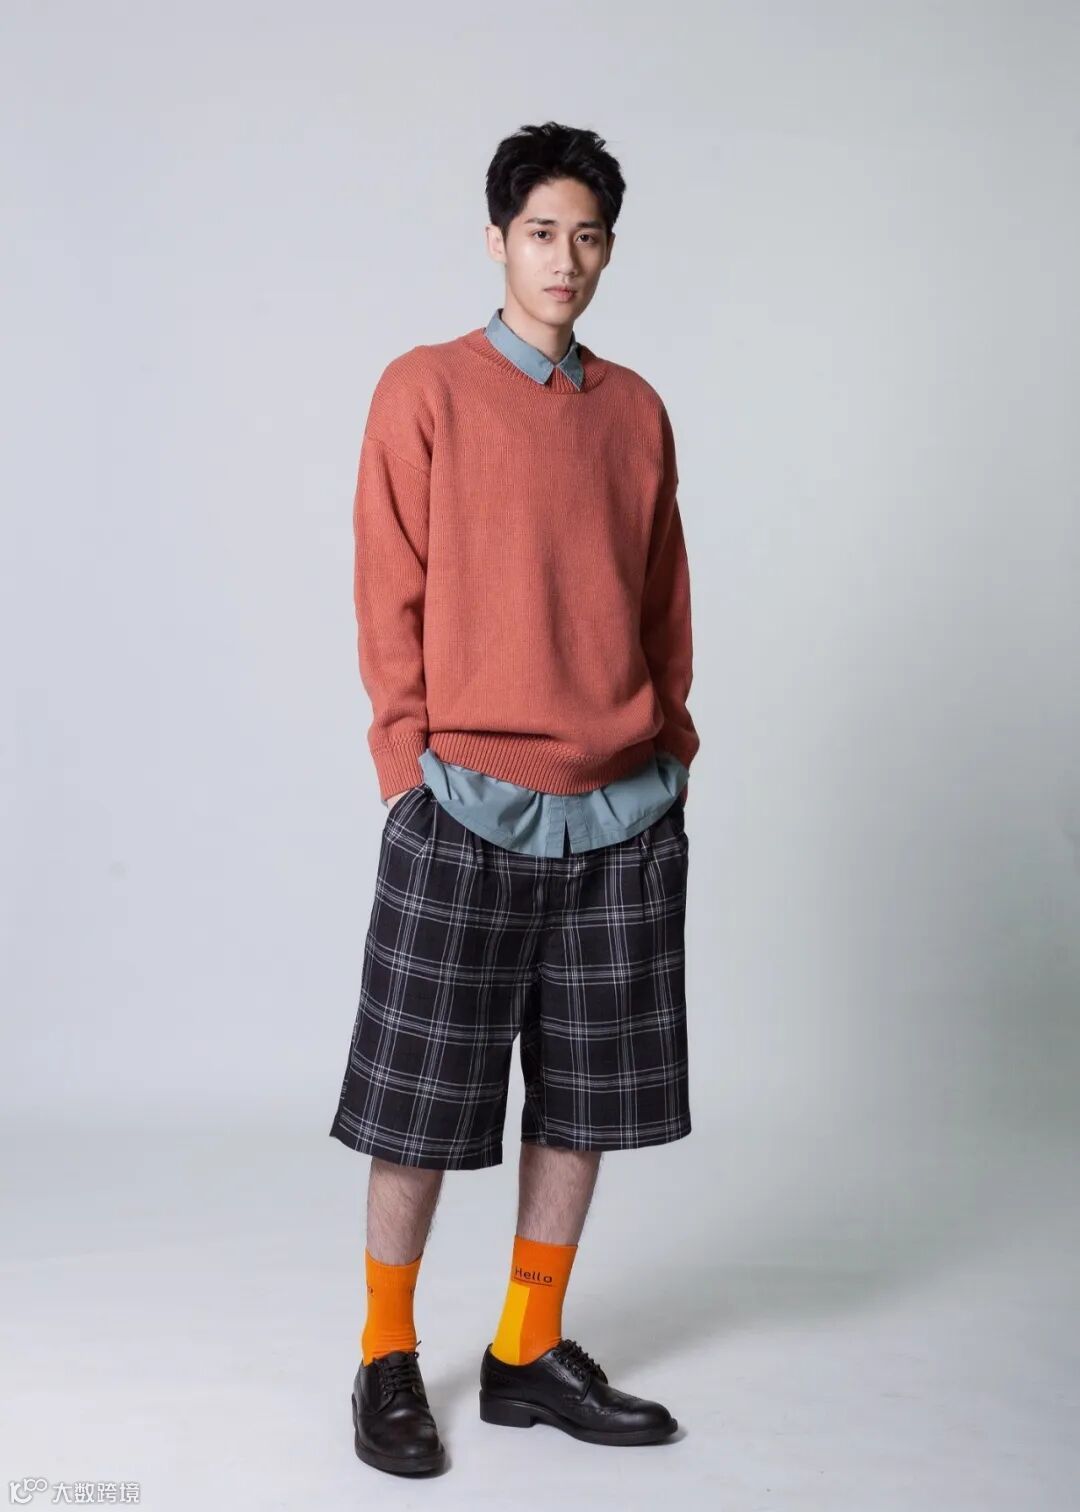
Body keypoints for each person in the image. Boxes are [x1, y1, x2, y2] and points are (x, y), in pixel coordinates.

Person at [329, 119, 700, 1477]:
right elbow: (390, 591)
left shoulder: (635, 410)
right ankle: (384, 1354)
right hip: (464, 802)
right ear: (497, 241)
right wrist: (405, 774)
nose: (566, 259)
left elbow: (662, 597)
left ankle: (526, 1350)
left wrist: (670, 752)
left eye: (588, 236)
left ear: (608, 249)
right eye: (542, 232)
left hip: (622, 811)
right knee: (418, 1106)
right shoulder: (424, 388)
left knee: (585, 1102)